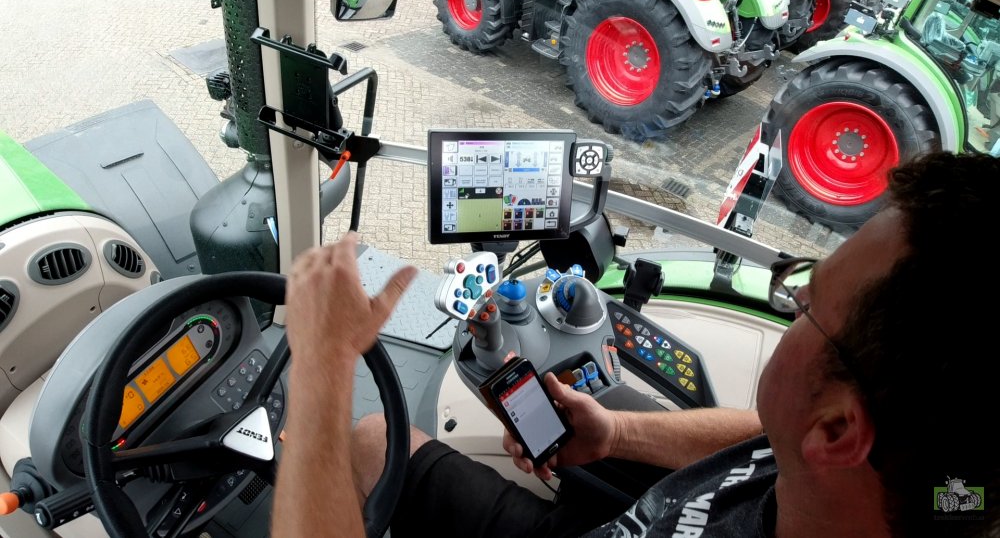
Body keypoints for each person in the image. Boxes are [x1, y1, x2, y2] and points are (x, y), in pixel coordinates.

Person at [272, 151, 999, 538]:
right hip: (630, 508)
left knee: (360, 436)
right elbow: (764, 440)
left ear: (838, 430)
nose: (796, 302)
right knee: (377, 440)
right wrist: (618, 433)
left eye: (806, 305)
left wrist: (324, 369)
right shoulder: (951, 493)